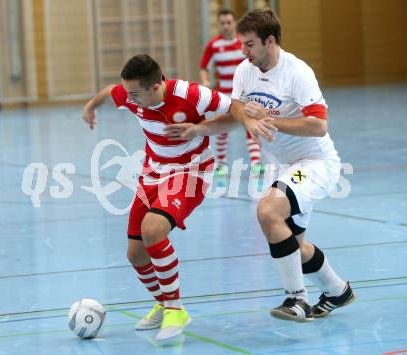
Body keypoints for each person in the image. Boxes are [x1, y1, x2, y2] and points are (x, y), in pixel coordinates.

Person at [167, 9, 356, 322]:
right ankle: (338, 290)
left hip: (314, 162)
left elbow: (319, 125)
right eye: (242, 44)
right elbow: (237, 113)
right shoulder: (245, 70)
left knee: (268, 211)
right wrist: (199, 128)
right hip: (284, 165)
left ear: (270, 41)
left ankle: (297, 300)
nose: (244, 51)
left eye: (250, 44)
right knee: (290, 243)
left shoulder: (297, 72)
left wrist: (272, 122)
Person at [82, 54, 237, 341]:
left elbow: (236, 109)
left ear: (156, 86)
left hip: (191, 172)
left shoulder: (191, 94)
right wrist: (91, 106)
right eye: (127, 93)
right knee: (136, 253)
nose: (129, 99)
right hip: (152, 174)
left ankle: (176, 310)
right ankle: (164, 304)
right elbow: (110, 92)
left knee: (152, 230)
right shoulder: (132, 94)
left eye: (135, 94)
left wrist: (201, 129)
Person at [199, 9, 263, 176]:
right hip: (225, 96)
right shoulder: (214, 45)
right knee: (222, 130)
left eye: (229, 22)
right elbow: (204, 67)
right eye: (223, 23)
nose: (226, 26)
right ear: (219, 25)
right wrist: (205, 80)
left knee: (250, 125)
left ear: (234, 23)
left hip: (246, 94)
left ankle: (256, 163)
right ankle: (221, 164)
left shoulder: (244, 43)